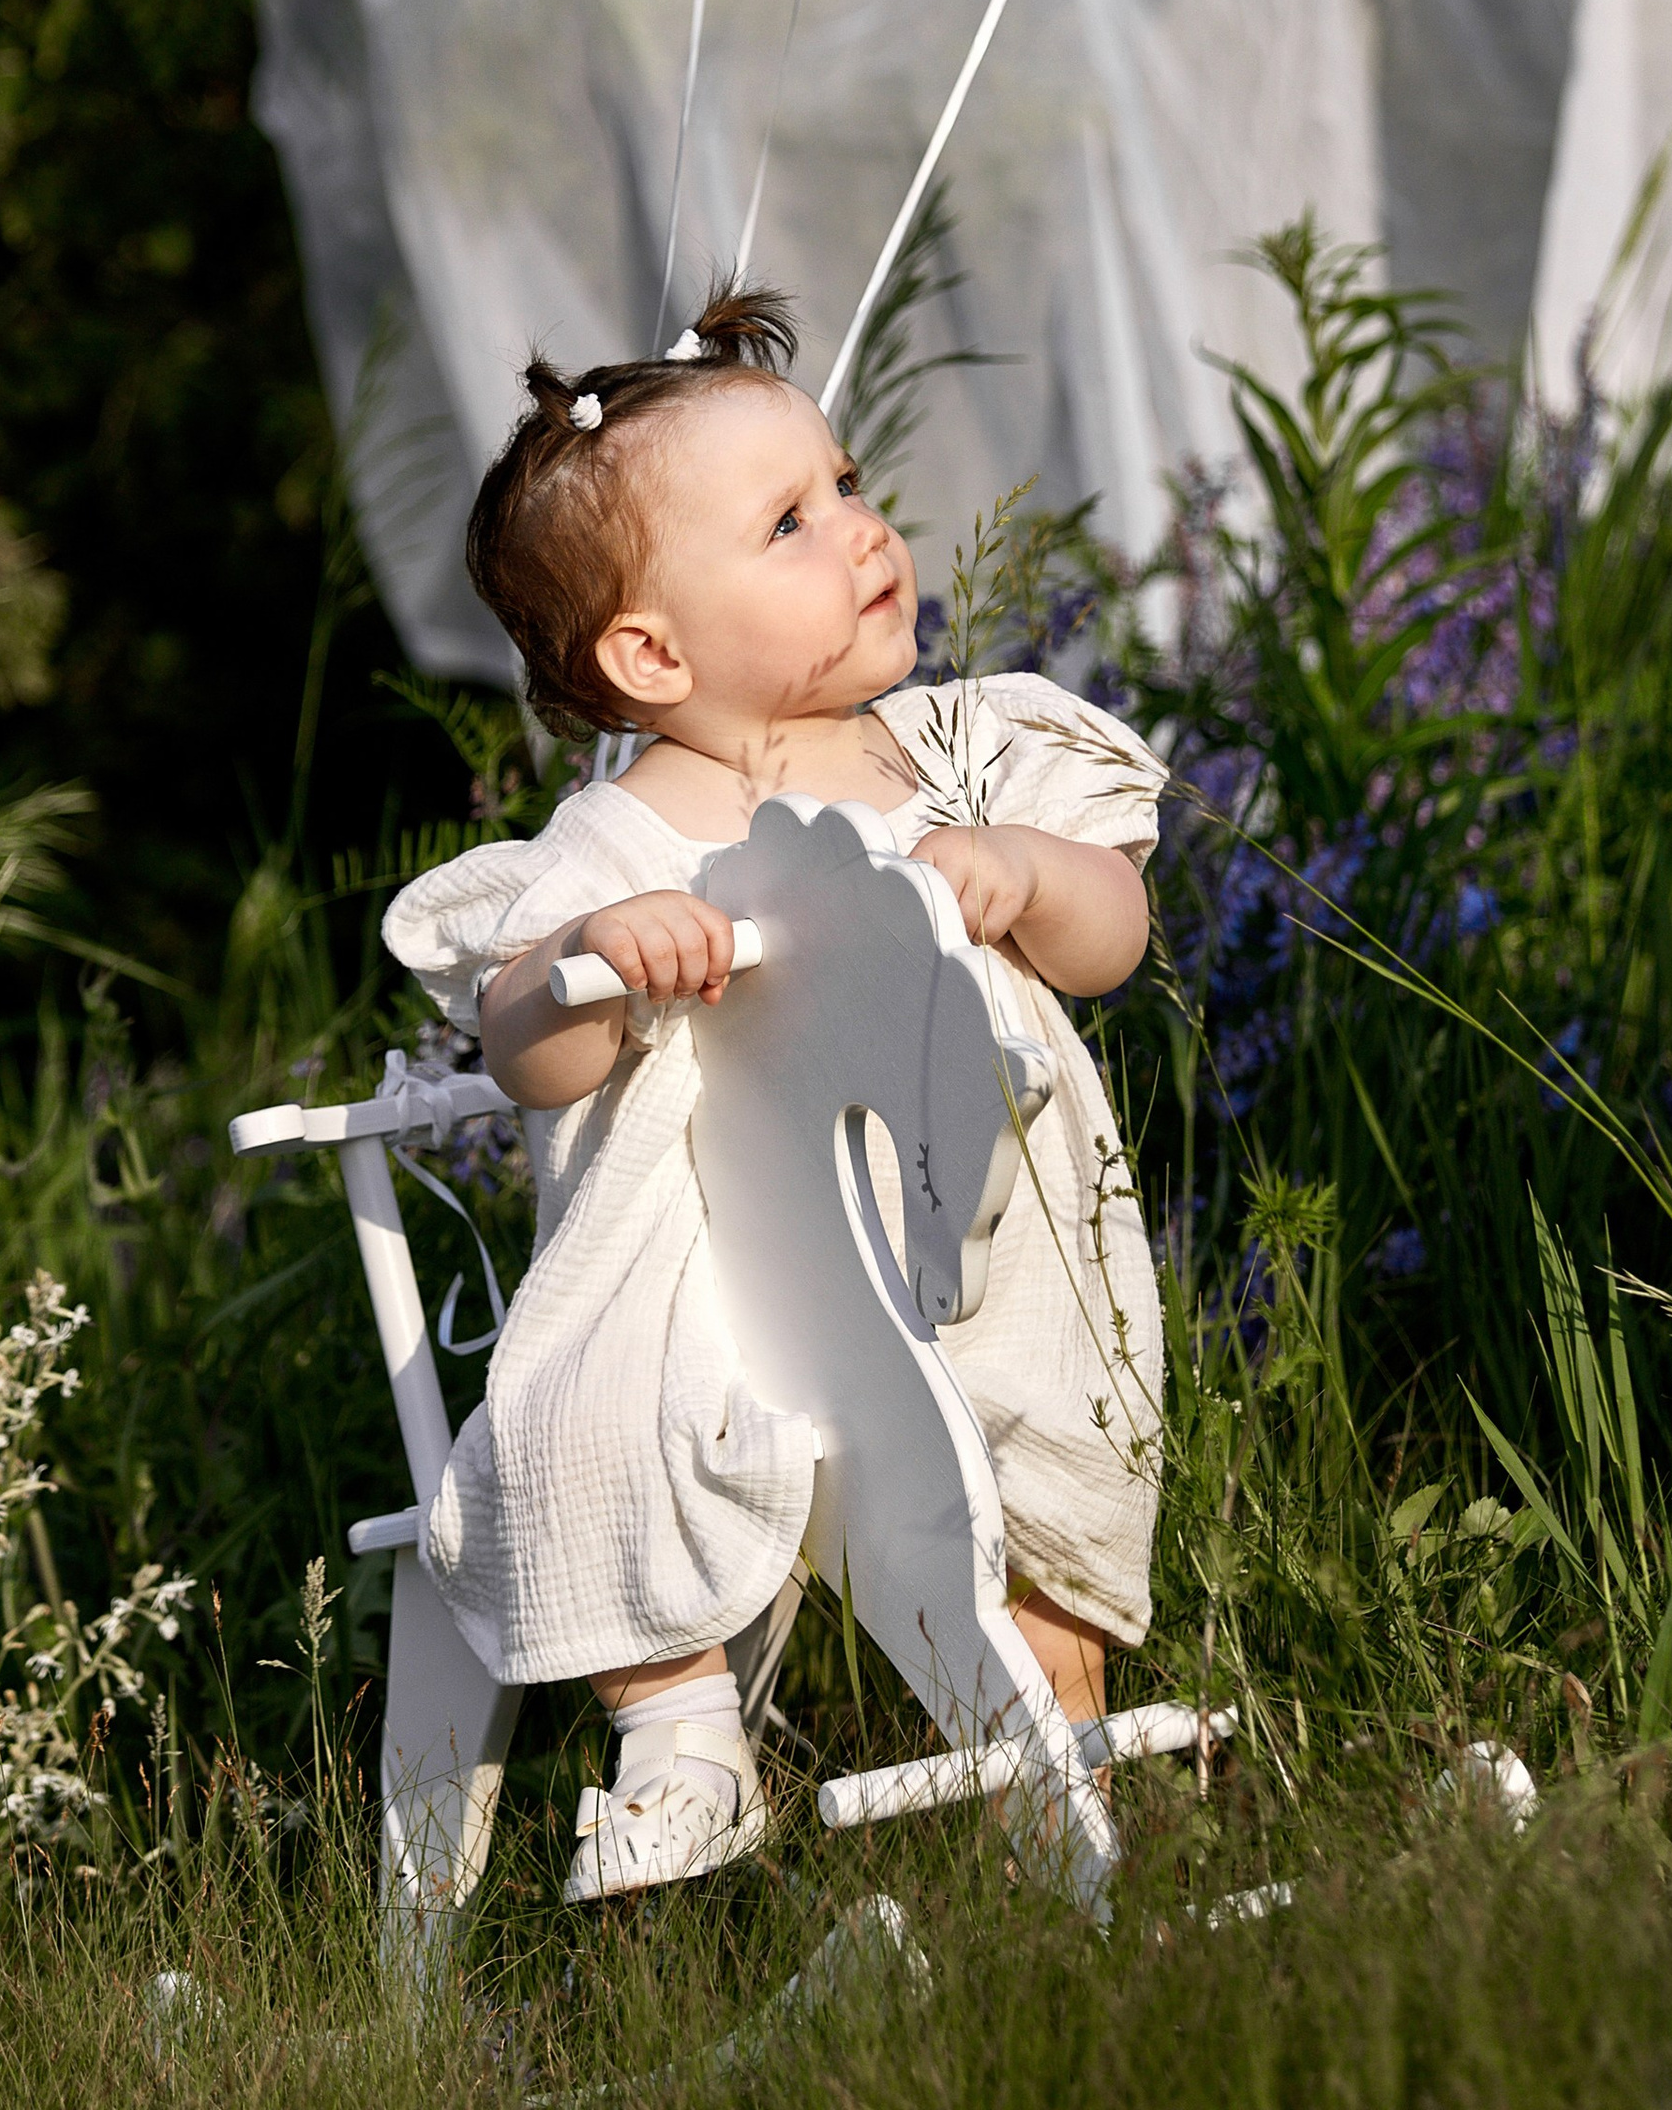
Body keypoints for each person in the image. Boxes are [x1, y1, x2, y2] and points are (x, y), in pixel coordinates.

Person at [381, 286, 1165, 1901]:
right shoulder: (622, 836)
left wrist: (1025, 873)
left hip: (1001, 1233)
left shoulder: (953, 753)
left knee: (1052, 1500)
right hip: (737, 1274)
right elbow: (524, 1042)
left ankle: (1059, 1812)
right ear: (653, 651)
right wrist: (597, 951)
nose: (862, 533)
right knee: (591, 1403)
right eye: (791, 523)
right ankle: (680, 1735)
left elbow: (1117, 941)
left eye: (853, 486)